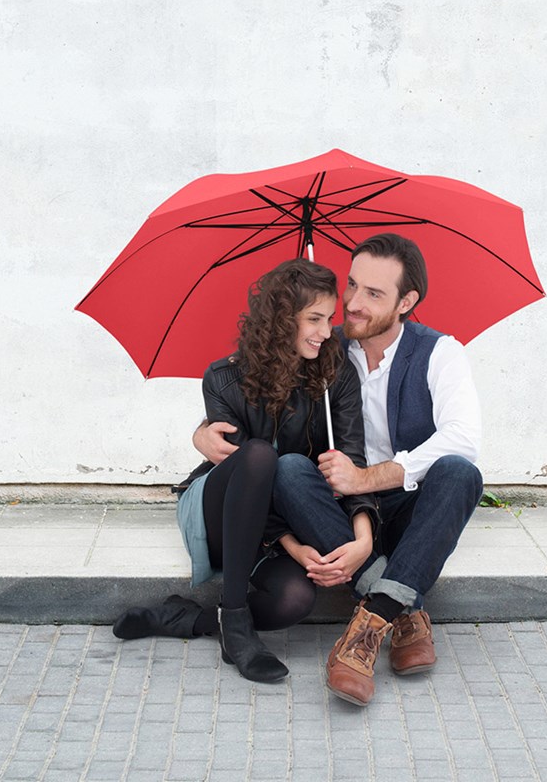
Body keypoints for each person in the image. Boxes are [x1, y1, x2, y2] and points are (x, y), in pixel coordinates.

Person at [195, 233, 483, 705]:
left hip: (407, 509)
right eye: (352, 285)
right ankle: (406, 612)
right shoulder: (327, 348)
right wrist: (201, 430)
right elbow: (260, 401)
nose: (351, 304)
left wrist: (367, 480)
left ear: (406, 302)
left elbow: (464, 438)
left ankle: (371, 624)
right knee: (291, 469)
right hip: (334, 510)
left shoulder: (440, 353)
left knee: (460, 473)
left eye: (374, 293)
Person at [115, 258, 379, 685]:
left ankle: (190, 617)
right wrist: (293, 546)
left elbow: (354, 463)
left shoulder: (336, 375)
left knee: (294, 600)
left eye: (330, 318)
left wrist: (362, 539)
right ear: (282, 319)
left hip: (280, 517)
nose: (326, 331)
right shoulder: (223, 379)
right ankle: (235, 622)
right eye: (314, 319)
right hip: (221, 512)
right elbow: (249, 475)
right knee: (259, 456)